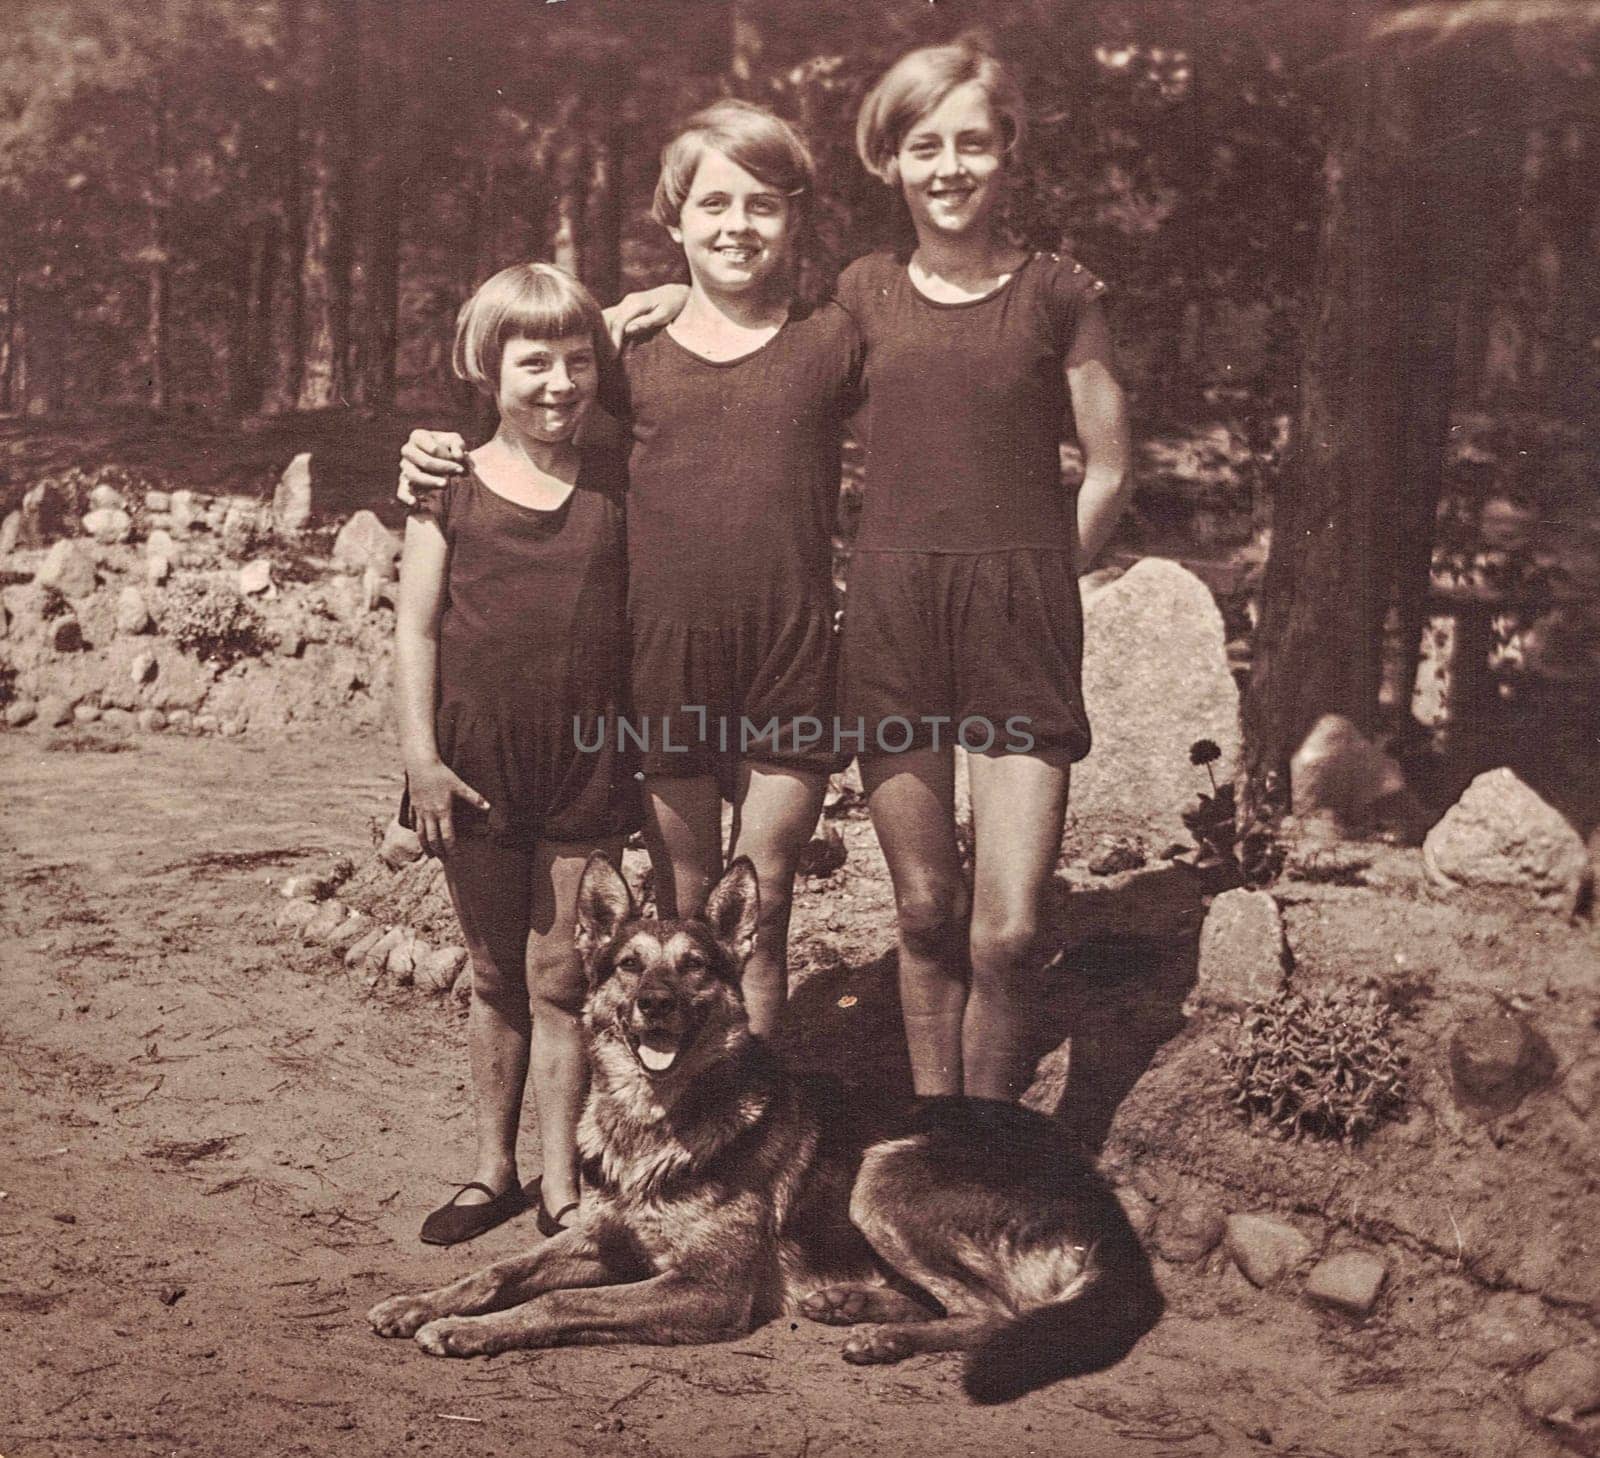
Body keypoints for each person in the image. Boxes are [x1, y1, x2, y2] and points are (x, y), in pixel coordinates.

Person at [399, 102, 863, 1042]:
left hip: (792, 653)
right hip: (663, 660)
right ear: (674, 217)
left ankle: (753, 1129)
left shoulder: (834, 340)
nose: (737, 225)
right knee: (686, 910)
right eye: (713, 204)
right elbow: (531, 390)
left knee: (761, 912)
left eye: (763, 205)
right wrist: (424, 451)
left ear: (797, 216)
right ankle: (677, 1116)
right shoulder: (625, 351)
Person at [834, 39, 1134, 1101]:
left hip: (1018, 624)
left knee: (1005, 931)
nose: (949, 166)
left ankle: (987, 1144)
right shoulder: (861, 292)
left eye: (972, 141)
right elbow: (754, 383)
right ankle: (930, 1143)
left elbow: (1107, 468)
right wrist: (640, 311)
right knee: (923, 911)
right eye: (925, 145)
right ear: (890, 160)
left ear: (1008, 150)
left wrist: (1049, 577)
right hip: (895, 619)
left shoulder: (1058, 293)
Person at [394, 262, 636, 1245]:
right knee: (494, 972)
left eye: (579, 362)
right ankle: (490, 1168)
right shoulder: (447, 487)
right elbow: (414, 630)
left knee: (560, 978)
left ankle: (557, 1180)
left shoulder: (617, 477)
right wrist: (419, 762)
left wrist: (614, 320)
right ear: (485, 370)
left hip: (585, 761)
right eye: (533, 363)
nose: (558, 384)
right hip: (472, 765)